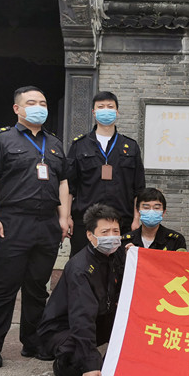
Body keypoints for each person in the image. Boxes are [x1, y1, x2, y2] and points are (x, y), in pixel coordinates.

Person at [0, 86, 71, 369]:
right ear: (17, 108)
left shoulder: (54, 143)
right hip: (12, 221)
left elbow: (63, 182)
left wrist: (64, 217)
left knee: (37, 287)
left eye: (42, 102)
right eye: (31, 102)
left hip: (47, 224)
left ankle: (33, 341)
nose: (38, 107)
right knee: (3, 287)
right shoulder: (2, 139)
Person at [37, 203, 125, 376]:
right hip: (64, 327)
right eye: (104, 232)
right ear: (90, 235)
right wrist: (91, 365)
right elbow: (81, 317)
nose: (111, 237)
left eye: (115, 231)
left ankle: (108, 367)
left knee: (131, 330)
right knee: (80, 357)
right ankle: (64, 369)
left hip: (100, 316)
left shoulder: (117, 254)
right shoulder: (80, 268)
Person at [67, 91, 145, 255]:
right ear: (94, 112)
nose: (106, 110)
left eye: (110, 107)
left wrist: (136, 219)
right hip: (85, 222)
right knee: (82, 265)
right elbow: (69, 186)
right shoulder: (79, 145)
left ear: (117, 112)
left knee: (120, 265)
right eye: (101, 107)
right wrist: (66, 217)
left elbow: (139, 188)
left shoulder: (130, 146)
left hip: (122, 222)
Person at [122, 187, 186, 251]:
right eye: (146, 208)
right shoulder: (125, 241)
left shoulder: (176, 241)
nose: (151, 212)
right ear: (138, 211)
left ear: (163, 212)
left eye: (156, 208)